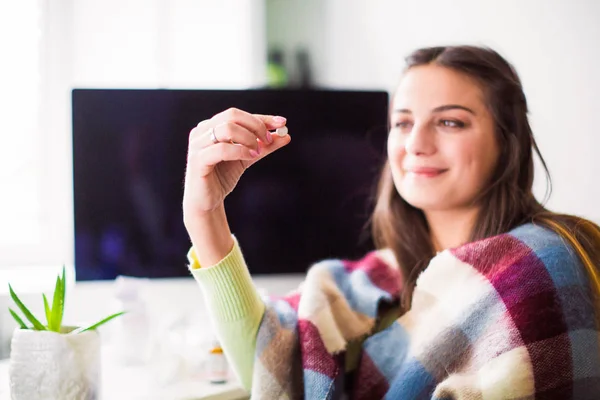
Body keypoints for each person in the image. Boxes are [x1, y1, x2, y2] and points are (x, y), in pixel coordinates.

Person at [182, 46, 600, 399]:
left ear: (507, 143)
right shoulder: (373, 282)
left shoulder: (542, 261)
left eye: (450, 121)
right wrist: (204, 215)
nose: (415, 144)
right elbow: (271, 370)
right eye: (402, 122)